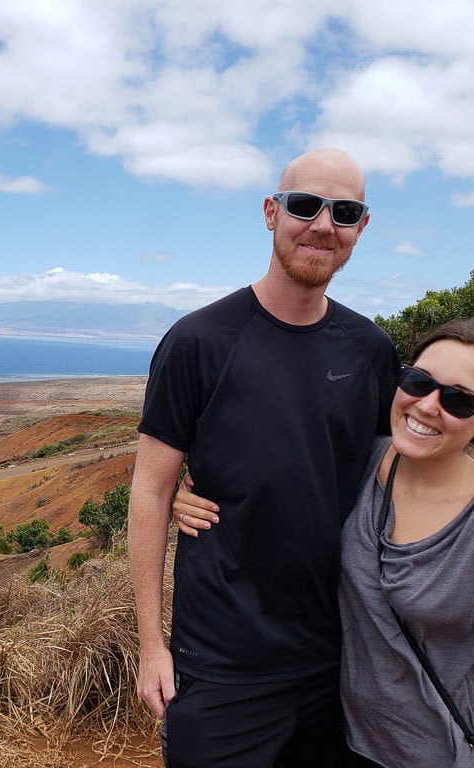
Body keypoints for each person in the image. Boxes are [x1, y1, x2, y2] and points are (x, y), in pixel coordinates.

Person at [173, 318, 474, 767]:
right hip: (349, 742)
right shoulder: (361, 460)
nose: (429, 405)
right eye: (418, 381)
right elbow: (271, 491)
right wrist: (192, 495)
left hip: (450, 751)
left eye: (459, 400)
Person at [128, 147, 400, 767]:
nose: (323, 224)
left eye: (345, 211)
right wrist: (151, 645)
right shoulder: (198, 342)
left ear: (361, 226)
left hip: (342, 656)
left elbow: (409, 483)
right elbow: (148, 491)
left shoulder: (371, 349)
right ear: (272, 213)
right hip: (223, 659)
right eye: (306, 206)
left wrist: (473, 607)